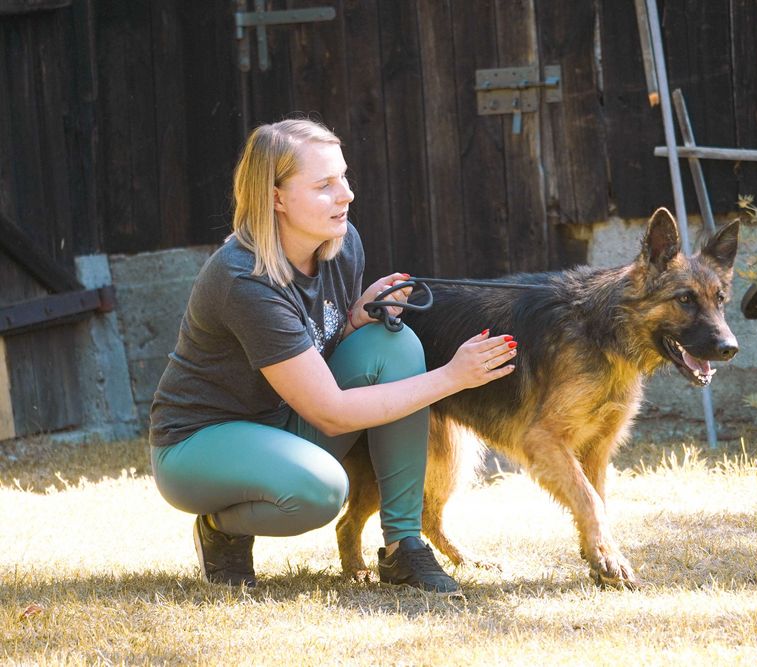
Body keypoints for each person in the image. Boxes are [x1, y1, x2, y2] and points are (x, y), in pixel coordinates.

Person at [149, 118, 517, 594]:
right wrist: (453, 376)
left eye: (343, 177)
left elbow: (312, 351)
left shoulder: (341, 247)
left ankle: (403, 546)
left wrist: (353, 321)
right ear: (275, 197)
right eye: (324, 185)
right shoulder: (244, 278)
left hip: (285, 422)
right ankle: (222, 529)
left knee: (394, 342)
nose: (345, 195)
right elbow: (332, 411)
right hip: (199, 444)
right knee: (321, 492)